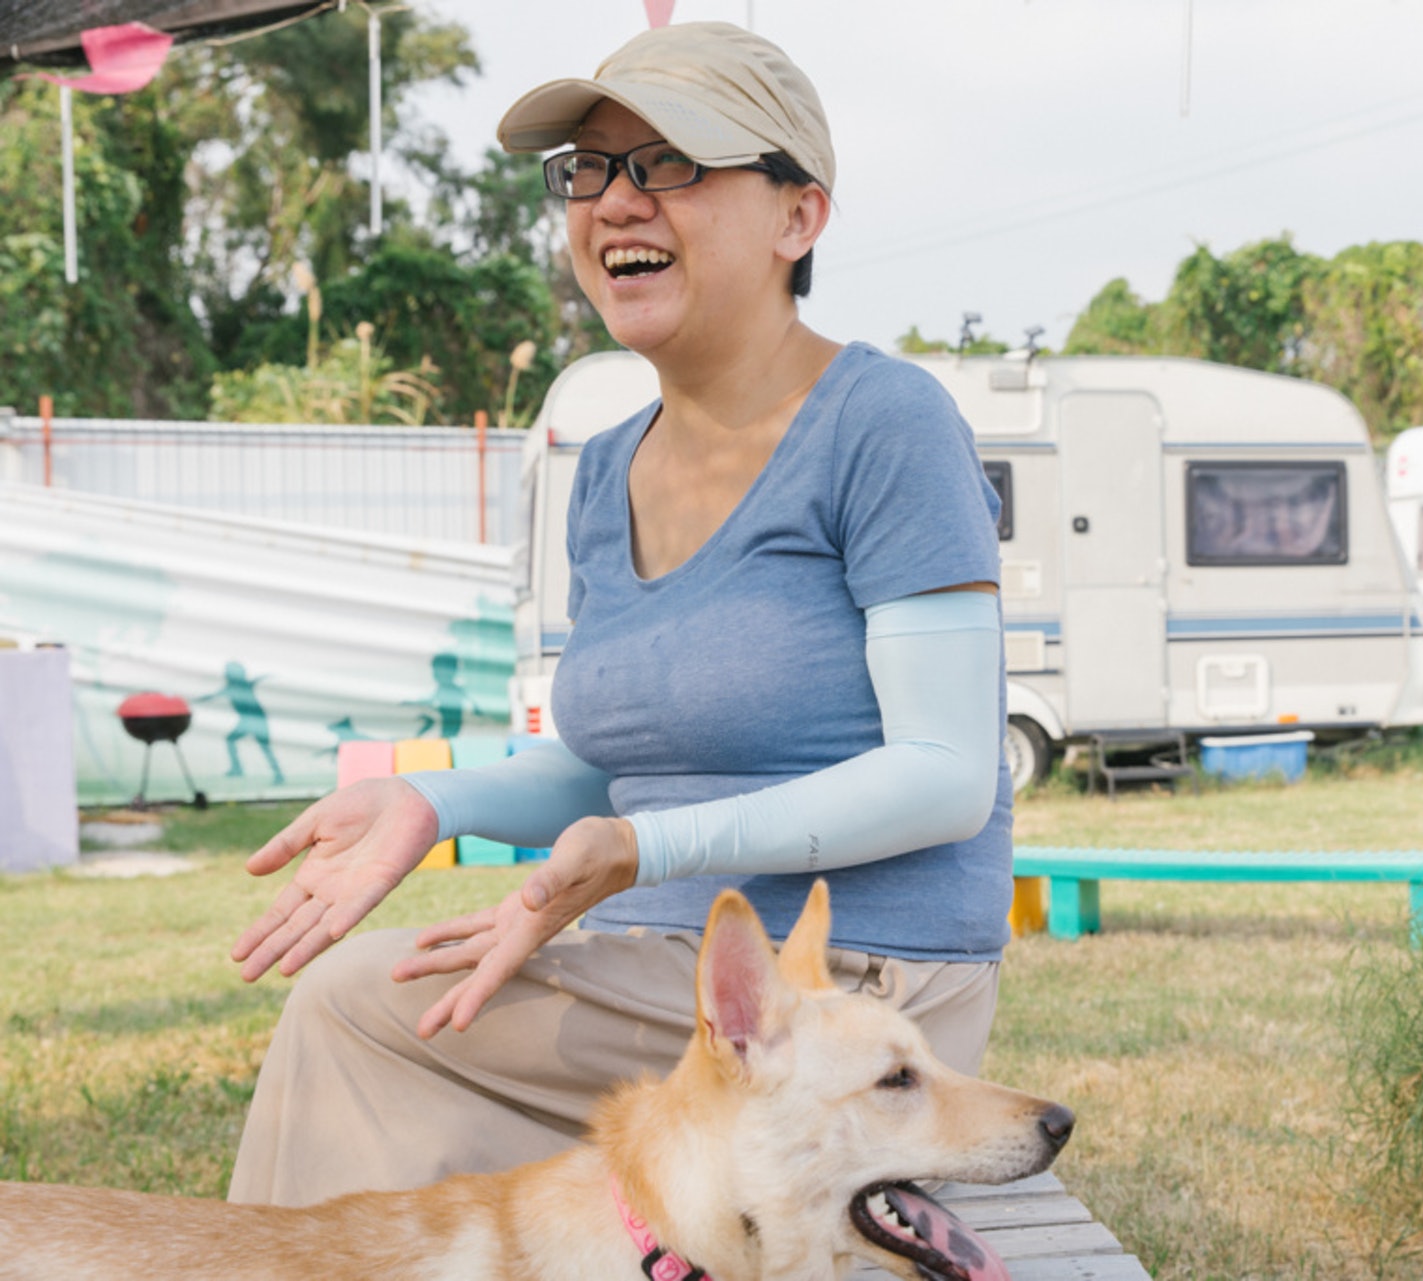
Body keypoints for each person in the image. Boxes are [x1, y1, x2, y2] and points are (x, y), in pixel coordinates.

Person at [225, 21, 1012, 1207]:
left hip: (857, 994)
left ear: (800, 218)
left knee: (357, 1013)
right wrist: (435, 799)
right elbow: (610, 773)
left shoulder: (883, 423)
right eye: (588, 168)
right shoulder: (603, 468)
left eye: (672, 163)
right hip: (667, 975)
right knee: (391, 1016)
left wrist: (652, 850)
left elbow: (948, 773)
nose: (616, 202)